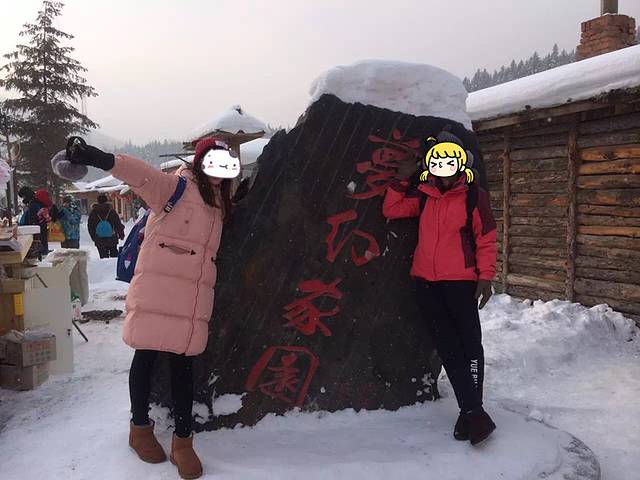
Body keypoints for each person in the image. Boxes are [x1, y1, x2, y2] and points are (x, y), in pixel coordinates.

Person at [66, 135, 240, 480]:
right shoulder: (175, 187)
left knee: (183, 367)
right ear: (200, 162)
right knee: (145, 357)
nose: (219, 172)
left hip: (191, 299)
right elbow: (139, 173)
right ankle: (140, 428)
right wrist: (98, 157)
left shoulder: (220, 203)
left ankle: (183, 441)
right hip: (157, 290)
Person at [382, 131, 498, 446]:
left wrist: (486, 276)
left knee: (470, 346)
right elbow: (392, 209)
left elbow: (486, 237)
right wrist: (402, 179)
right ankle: (471, 411)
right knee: (448, 347)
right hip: (426, 283)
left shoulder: (473, 196)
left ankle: (472, 410)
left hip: (461, 282)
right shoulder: (424, 194)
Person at [18, 186, 55, 256]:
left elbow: (32, 218)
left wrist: (29, 226)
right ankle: (44, 252)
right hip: (42, 225)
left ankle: (42, 253)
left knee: (39, 246)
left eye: (23, 197)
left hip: (36, 228)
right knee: (43, 242)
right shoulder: (37, 201)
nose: (23, 199)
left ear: (26, 195)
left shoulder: (33, 204)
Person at [87, 194, 124, 258]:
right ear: (106, 200)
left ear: (98, 201)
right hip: (112, 238)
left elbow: (90, 226)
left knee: (103, 258)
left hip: (99, 238)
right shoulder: (111, 211)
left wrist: (94, 237)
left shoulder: (93, 212)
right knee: (114, 257)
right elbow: (117, 223)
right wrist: (121, 234)